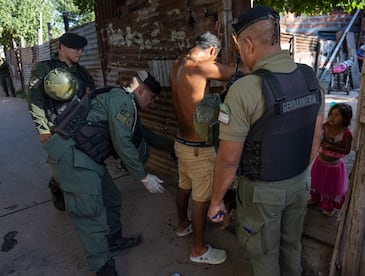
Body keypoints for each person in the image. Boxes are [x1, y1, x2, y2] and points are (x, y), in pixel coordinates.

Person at [207, 5, 324, 276]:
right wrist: (296, 175)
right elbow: (317, 136)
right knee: (291, 247)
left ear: (247, 43)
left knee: (264, 258)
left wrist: (216, 200)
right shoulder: (310, 78)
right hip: (300, 183)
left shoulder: (245, 90)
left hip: (263, 194)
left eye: (238, 47)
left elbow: (228, 159)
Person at [42, 70, 172, 275]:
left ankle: (113, 240)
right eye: (152, 97)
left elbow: (143, 133)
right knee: (90, 216)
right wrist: (144, 176)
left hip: (87, 158)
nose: (152, 103)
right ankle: (104, 268)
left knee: (112, 198)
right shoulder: (123, 102)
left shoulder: (124, 103)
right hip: (73, 159)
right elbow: (122, 143)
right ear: (142, 90)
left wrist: (173, 147)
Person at [170, 31, 238, 265]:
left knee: (183, 185)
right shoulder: (201, 66)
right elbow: (240, 72)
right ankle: (198, 249)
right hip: (199, 148)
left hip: (181, 143)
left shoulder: (178, 63)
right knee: (201, 199)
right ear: (212, 51)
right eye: (215, 57)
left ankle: (182, 225)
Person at [28, 32, 95, 211]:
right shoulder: (44, 69)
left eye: (82, 50)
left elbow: (91, 97)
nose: (81, 53)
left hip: (79, 129)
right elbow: (35, 100)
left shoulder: (81, 72)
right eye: (77, 49)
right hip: (56, 129)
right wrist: (43, 129)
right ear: (62, 47)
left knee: (79, 166)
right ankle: (56, 187)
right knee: (62, 168)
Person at [308, 103, 353, 216]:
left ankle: (329, 206)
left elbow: (346, 150)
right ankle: (315, 199)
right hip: (320, 162)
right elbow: (317, 133)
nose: (332, 117)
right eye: (331, 114)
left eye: (337, 115)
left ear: (345, 118)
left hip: (334, 167)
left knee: (331, 188)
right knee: (317, 182)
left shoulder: (346, 133)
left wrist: (331, 147)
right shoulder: (326, 126)